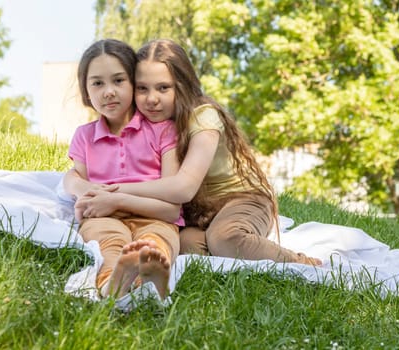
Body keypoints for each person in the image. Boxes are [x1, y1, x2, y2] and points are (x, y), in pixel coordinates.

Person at [80, 39, 321, 266]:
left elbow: (183, 187)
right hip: (200, 213)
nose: (152, 99)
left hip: (242, 199)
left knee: (225, 239)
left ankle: (301, 263)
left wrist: (114, 190)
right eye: (143, 88)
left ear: (183, 86)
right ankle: (239, 247)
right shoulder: (151, 124)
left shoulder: (203, 117)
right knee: (186, 246)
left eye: (163, 88)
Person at [62, 39, 183, 300]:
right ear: (86, 90)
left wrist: (114, 199)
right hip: (104, 218)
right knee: (109, 242)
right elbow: (79, 187)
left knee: (157, 239)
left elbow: (172, 209)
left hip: (154, 216)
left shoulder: (163, 130)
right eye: (97, 83)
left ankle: (149, 272)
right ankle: (112, 283)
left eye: (119, 81)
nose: (109, 92)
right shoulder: (84, 136)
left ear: (134, 83)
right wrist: (80, 188)